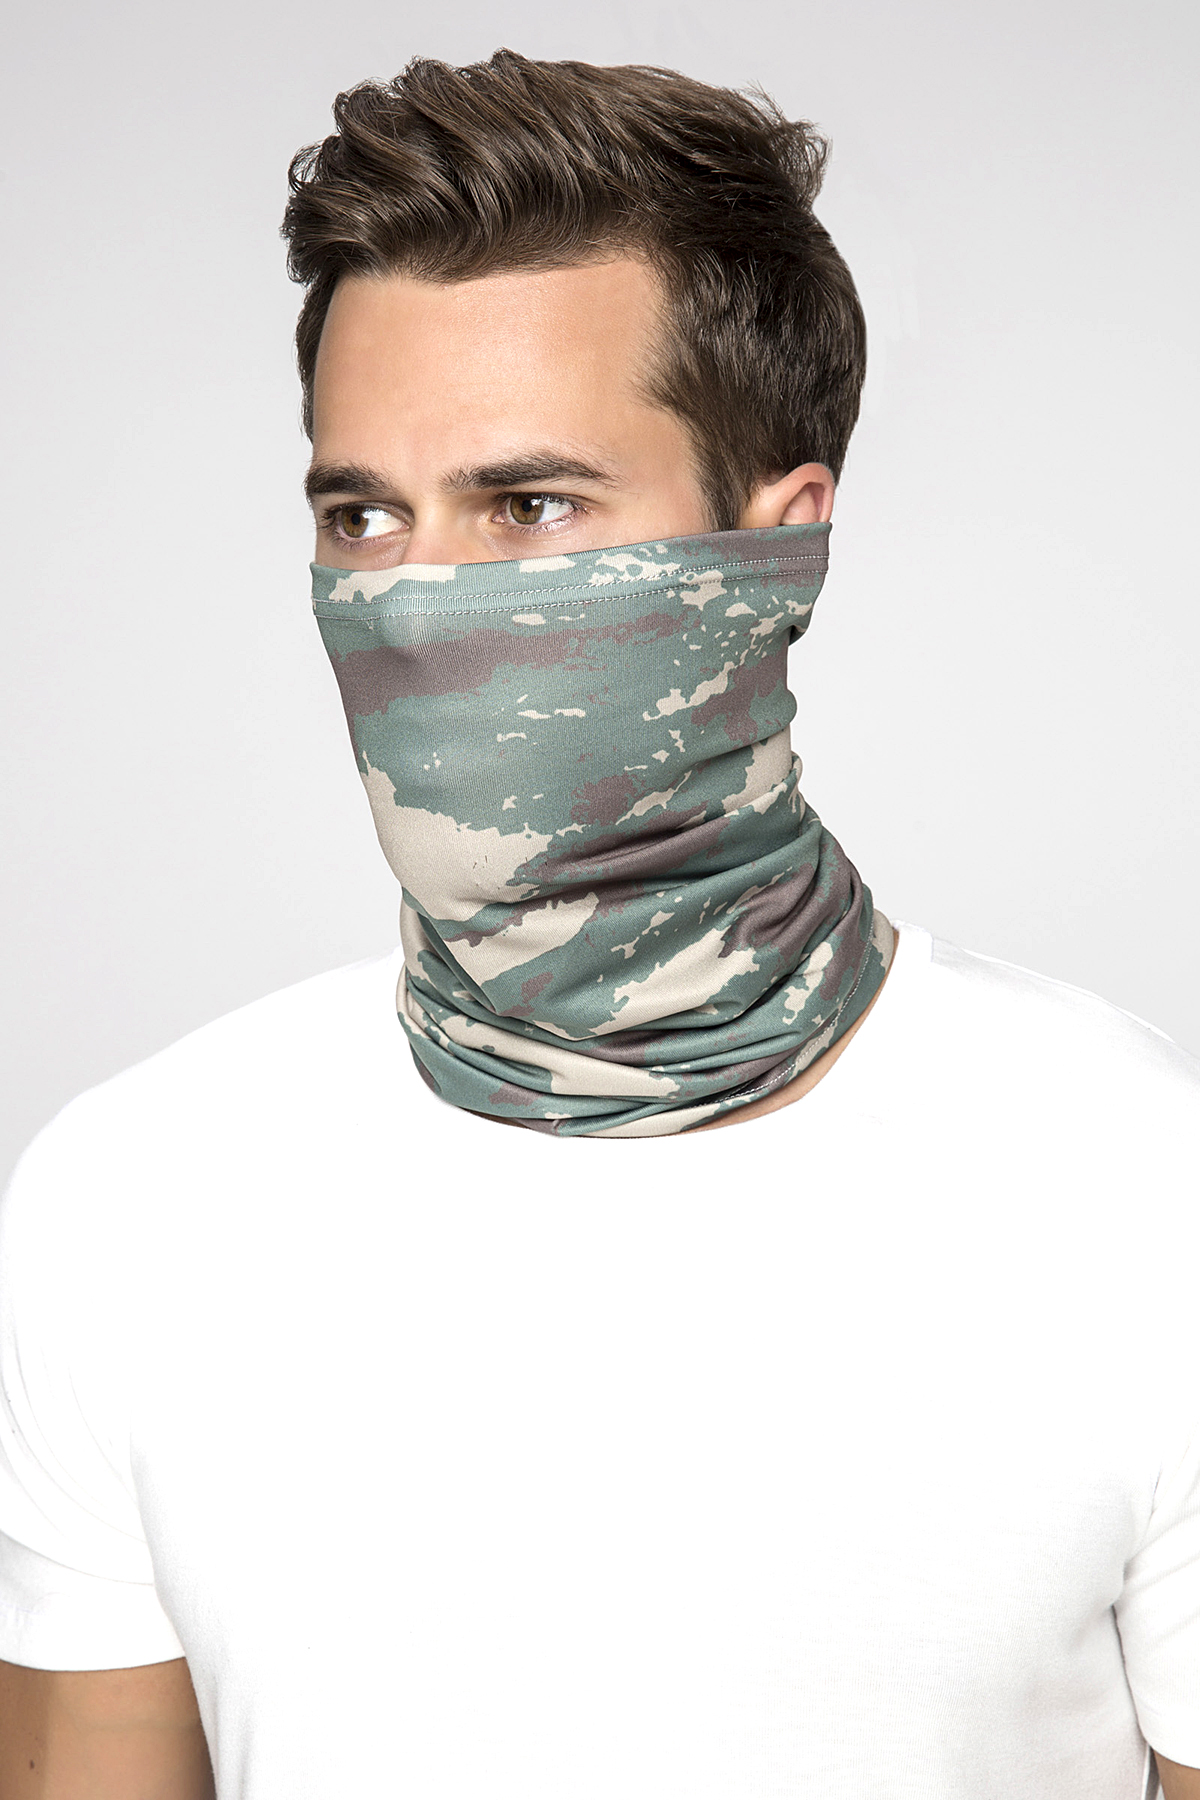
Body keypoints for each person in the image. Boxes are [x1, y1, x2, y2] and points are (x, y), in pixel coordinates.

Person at [0, 47, 1197, 1800]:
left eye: (530, 508)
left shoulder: (1140, 1187)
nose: (417, 602)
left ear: (776, 550)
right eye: (364, 517)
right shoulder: (133, 1197)